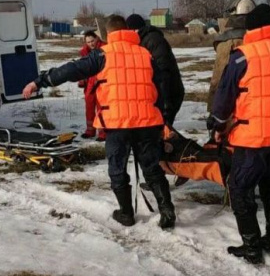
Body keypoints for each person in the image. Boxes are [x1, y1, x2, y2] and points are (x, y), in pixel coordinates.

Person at [23, 15, 176, 229]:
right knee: (152, 168)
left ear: (107, 34)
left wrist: (41, 81)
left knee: (117, 169)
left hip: (117, 123)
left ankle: (126, 213)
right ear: (128, 32)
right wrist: (161, 117)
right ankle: (167, 211)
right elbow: (160, 88)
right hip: (147, 121)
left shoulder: (103, 55)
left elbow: (71, 70)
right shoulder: (146, 55)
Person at [209, 4, 270, 264]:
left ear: (250, 28)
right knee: (269, 181)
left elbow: (224, 96)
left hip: (252, 134)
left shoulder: (242, 55)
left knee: (240, 187)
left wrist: (218, 124)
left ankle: (252, 246)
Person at [125, 14, 184, 127]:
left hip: (168, 92)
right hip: (160, 93)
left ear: (134, 29)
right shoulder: (144, 40)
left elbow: (163, 70)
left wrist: (165, 101)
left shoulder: (153, 40)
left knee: (162, 130)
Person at [207, 0, 255, 112]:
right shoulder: (264, 39)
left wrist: (214, 110)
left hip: (235, 105)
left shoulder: (227, 42)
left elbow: (218, 79)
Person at [77, 31, 106, 141]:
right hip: (89, 82)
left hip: (101, 82)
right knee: (89, 107)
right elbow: (81, 67)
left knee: (101, 108)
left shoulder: (104, 49)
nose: (91, 44)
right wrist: (81, 80)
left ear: (97, 38)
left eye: (92, 41)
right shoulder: (85, 52)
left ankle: (103, 133)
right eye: (88, 42)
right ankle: (90, 131)